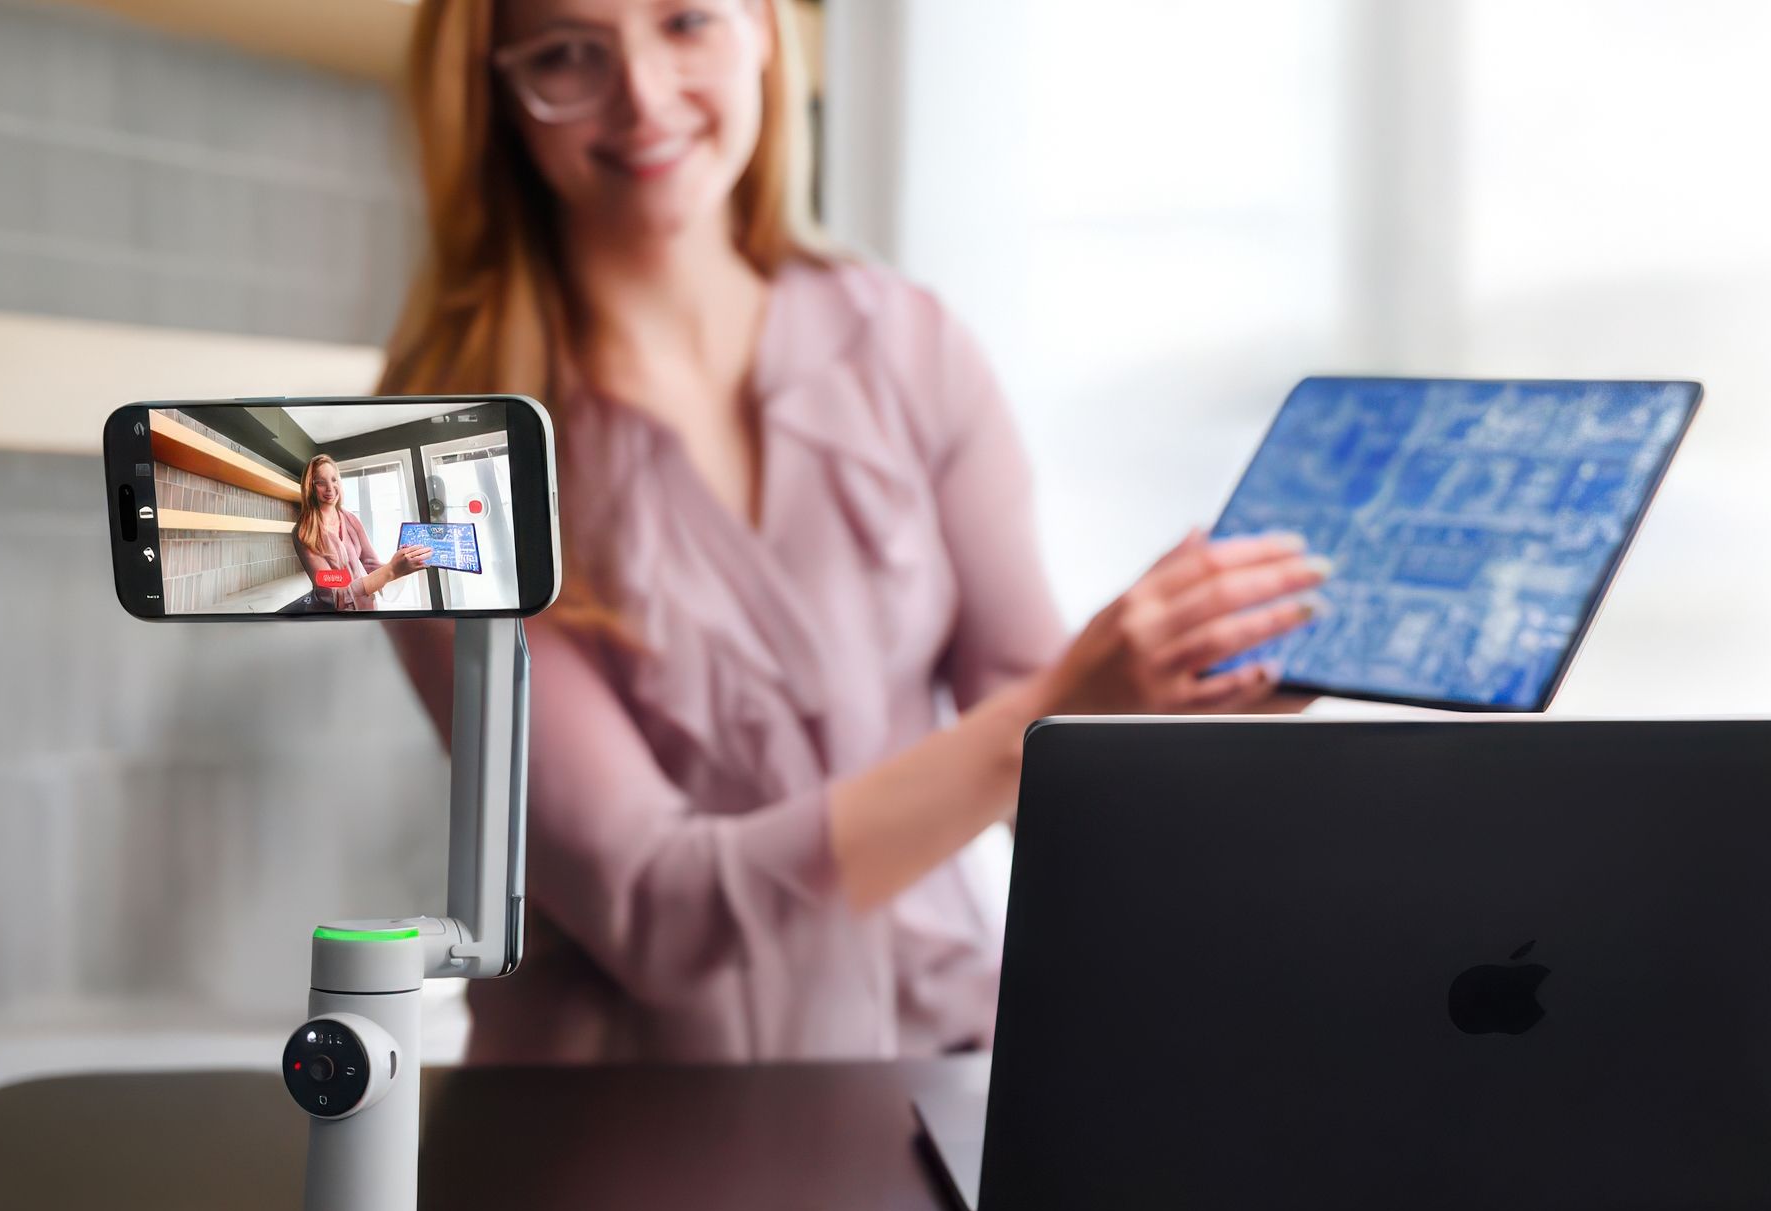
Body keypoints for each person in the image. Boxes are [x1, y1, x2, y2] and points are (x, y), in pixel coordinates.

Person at [383, 0, 1324, 1062]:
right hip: (625, 1139)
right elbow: (654, 908)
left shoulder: (909, 347)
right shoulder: (433, 460)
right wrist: (1048, 714)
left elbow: (1039, 752)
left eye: (687, 22)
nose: (643, 95)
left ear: (766, 33)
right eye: (565, 53)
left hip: (948, 1079)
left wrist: (1170, 700)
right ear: (496, 93)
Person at [290, 455, 431, 612]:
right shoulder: (304, 533)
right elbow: (333, 593)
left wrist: (405, 561)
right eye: (320, 482)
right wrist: (391, 570)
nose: (330, 488)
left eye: (334, 480)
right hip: (332, 618)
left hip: (366, 608)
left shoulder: (350, 519)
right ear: (310, 487)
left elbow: (372, 565)